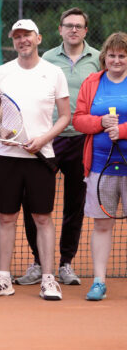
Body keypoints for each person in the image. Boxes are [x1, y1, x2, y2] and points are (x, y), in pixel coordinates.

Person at [0, 19, 70, 301]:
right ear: (13, 41)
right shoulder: (2, 73)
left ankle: (48, 279)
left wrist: (43, 139)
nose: (22, 40)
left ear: (38, 38)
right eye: (17, 37)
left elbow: (66, 116)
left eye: (27, 35)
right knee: (6, 218)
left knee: (42, 218)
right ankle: (3, 278)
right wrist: (0, 129)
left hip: (41, 157)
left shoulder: (54, 73)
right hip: (7, 157)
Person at [16, 8, 99, 287]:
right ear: (60, 29)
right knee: (34, 202)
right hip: (47, 140)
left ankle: (65, 263)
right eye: (68, 25)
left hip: (82, 140)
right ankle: (39, 262)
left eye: (79, 26)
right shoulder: (46, 59)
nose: (73, 30)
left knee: (75, 204)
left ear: (86, 31)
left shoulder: (98, 59)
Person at [73, 32, 127, 301]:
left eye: (122, 55)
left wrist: (124, 130)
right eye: (112, 55)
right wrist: (100, 123)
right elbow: (78, 120)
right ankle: (98, 281)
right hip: (99, 165)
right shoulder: (92, 82)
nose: (116, 60)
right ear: (104, 57)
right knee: (102, 225)